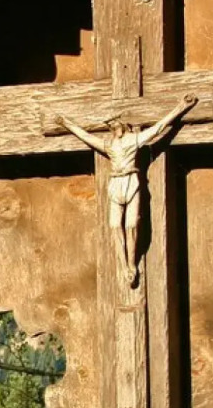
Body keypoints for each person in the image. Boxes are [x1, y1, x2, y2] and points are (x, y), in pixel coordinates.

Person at [56, 94, 198, 287]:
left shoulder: (134, 140)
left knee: (131, 225)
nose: (113, 127)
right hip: (115, 183)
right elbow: (86, 136)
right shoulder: (109, 145)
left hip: (131, 181)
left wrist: (181, 106)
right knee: (115, 226)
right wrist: (66, 123)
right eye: (111, 126)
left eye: (115, 124)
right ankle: (123, 266)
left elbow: (159, 128)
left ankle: (131, 263)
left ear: (123, 127)